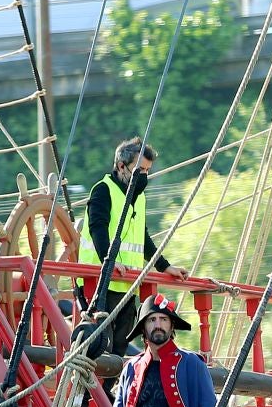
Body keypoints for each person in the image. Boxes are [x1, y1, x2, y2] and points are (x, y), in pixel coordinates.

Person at [79, 138, 190, 357]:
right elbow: (97, 228)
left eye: (148, 171)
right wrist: (109, 261)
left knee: (120, 347)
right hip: (100, 283)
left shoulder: (139, 198)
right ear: (121, 166)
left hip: (127, 284)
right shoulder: (103, 190)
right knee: (101, 347)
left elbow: (143, 238)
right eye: (140, 170)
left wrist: (165, 267)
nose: (144, 176)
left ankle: (111, 382)